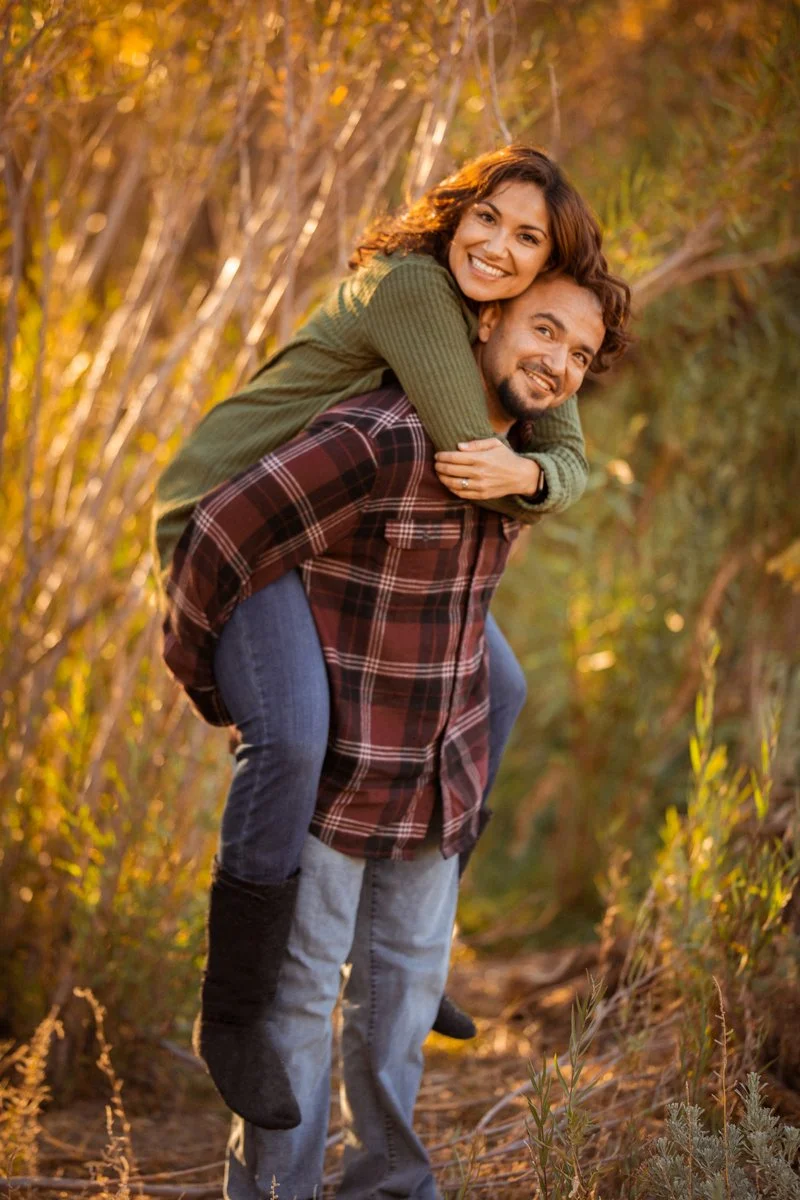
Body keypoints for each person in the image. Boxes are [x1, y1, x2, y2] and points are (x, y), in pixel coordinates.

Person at [152, 144, 611, 1123]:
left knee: (506, 689)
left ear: (542, 270)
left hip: (308, 525)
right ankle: (230, 1012)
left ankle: (419, 931)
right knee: (292, 738)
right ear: (456, 214)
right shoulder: (410, 287)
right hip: (229, 524)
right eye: (485, 216)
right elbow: (472, 452)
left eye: (525, 237)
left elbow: (553, 453)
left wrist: (539, 475)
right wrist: (530, 473)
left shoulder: (502, 327)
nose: (493, 243)